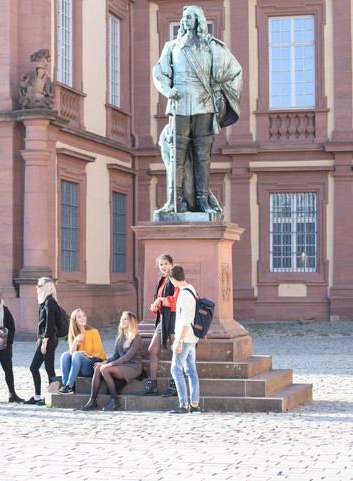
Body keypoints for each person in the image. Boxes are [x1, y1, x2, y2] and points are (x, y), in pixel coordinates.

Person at [152, 5, 242, 214]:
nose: (186, 20)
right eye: (184, 17)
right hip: (180, 102)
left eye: (190, 17)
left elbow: (234, 71)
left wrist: (217, 89)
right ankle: (173, 201)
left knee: (203, 155)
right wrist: (167, 90)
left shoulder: (211, 46)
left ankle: (202, 201)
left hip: (203, 103)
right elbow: (159, 73)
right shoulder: (172, 46)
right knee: (177, 154)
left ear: (199, 20)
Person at [80, 311, 142, 412]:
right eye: (122, 318)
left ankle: (115, 401)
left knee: (105, 370)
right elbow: (116, 355)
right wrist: (104, 363)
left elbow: (127, 357)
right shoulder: (120, 337)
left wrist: (109, 365)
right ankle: (92, 400)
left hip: (133, 367)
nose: (122, 320)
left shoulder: (136, 338)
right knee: (98, 368)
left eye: (125, 319)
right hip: (122, 365)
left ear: (131, 323)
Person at [136, 254, 178, 397]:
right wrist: (156, 306)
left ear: (171, 264)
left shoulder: (175, 279)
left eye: (166, 264)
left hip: (173, 318)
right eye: (161, 264)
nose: (163, 267)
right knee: (152, 349)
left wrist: (160, 300)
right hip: (162, 319)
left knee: (175, 351)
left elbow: (176, 300)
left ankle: (175, 385)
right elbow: (159, 300)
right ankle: (152, 384)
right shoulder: (161, 280)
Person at [166, 264, 201, 414]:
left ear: (173, 279)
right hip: (191, 337)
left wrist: (179, 341)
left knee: (176, 370)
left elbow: (186, 319)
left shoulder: (185, 293)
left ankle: (184, 405)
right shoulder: (190, 289)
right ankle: (194, 405)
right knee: (191, 371)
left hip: (185, 338)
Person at [24, 277, 60, 405]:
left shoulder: (50, 302)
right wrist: (40, 338)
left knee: (49, 369)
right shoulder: (44, 302)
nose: (36, 287)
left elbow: (50, 325)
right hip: (45, 339)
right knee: (34, 367)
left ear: (45, 287)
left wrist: (45, 341)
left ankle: (52, 396)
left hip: (49, 340)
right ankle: (37, 396)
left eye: (38, 285)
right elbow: (43, 324)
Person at [57, 309, 106, 395]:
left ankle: (70, 386)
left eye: (83, 316)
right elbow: (71, 356)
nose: (82, 318)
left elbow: (100, 355)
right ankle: (65, 385)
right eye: (79, 317)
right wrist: (75, 341)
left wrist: (88, 355)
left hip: (91, 367)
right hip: (76, 369)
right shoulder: (73, 334)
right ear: (75, 320)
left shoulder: (93, 332)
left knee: (77, 354)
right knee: (65, 355)